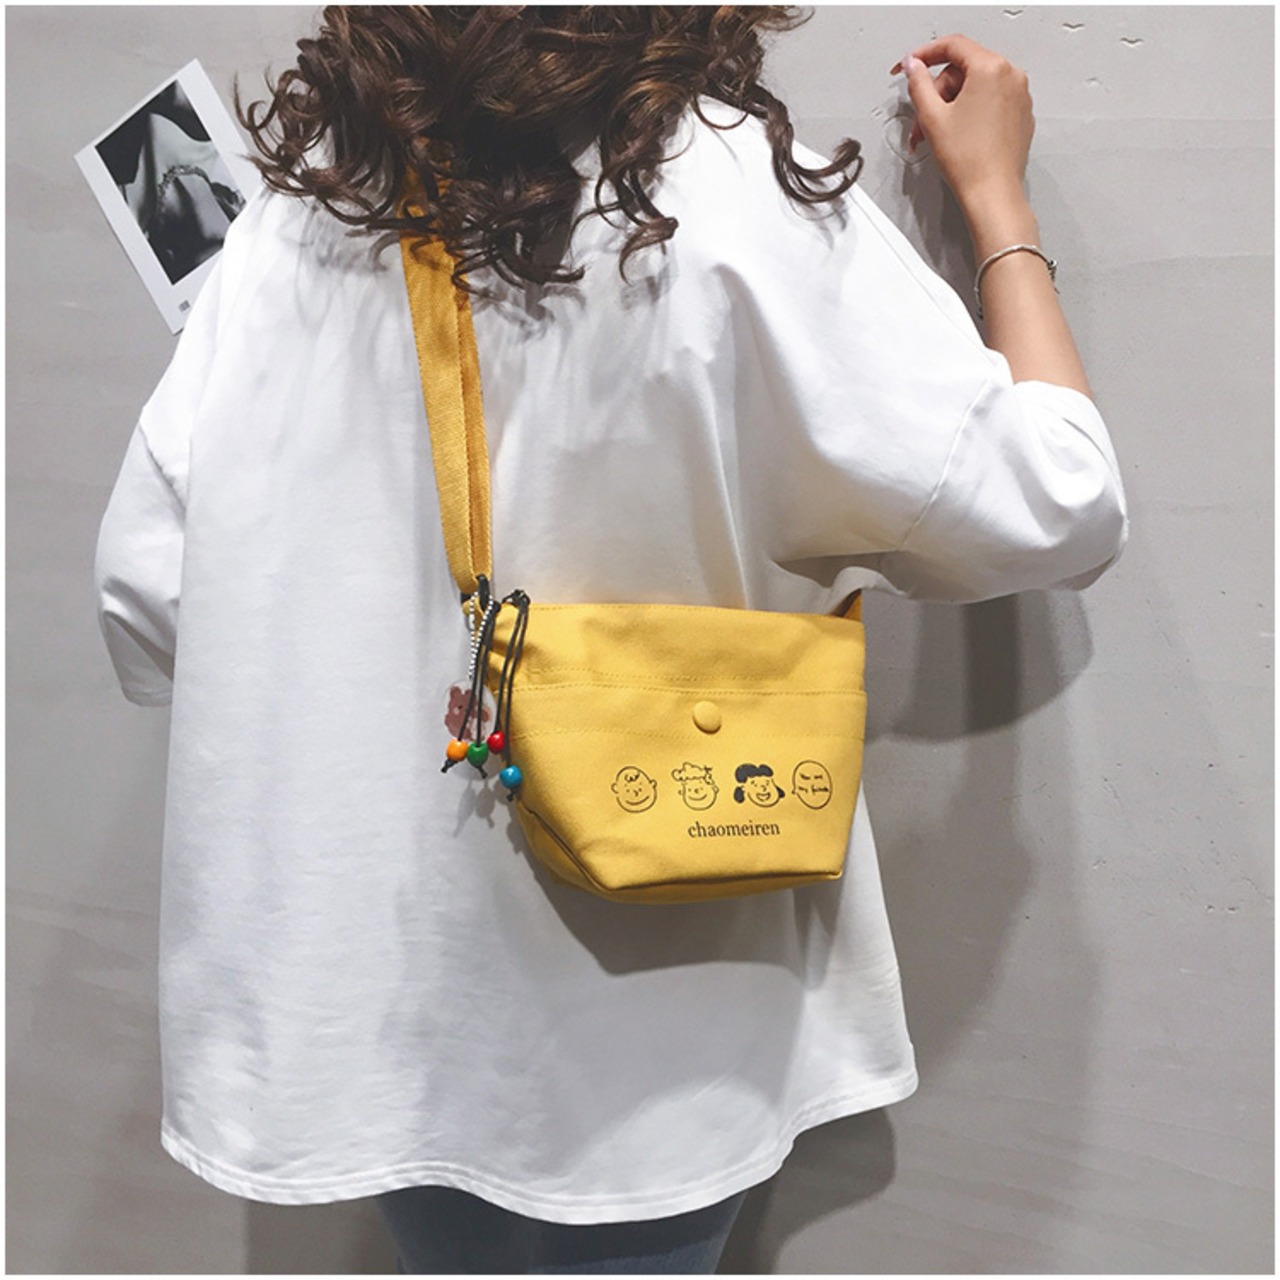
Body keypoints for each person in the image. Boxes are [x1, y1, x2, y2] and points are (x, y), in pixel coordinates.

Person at [93, 9, 1127, 1275]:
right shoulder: (734, 194)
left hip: (371, 1027)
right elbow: (1057, 502)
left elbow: (148, 592)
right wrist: (996, 203)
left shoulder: (307, 210)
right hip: (653, 1019)